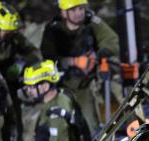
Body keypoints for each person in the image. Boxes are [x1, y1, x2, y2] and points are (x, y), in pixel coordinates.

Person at [40, 0, 119, 132]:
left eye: (81, 9)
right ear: (64, 13)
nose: (79, 13)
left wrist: (96, 56)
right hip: (63, 85)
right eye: (73, 10)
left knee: (93, 123)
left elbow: (112, 42)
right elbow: (47, 57)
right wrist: (73, 61)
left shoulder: (92, 22)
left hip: (87, 83)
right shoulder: (53, 29)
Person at [0, 1, 42, 141]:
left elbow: (34, 53)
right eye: (6, 30)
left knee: (15, 131)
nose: (10, 34)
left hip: (9, 91)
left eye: (12, 31)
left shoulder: (13, 38)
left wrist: (20, 64)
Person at [22, 60, 90, 141]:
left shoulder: (57, 115)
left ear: (45, 86)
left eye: (32, 86)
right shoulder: (61, 94)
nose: (29, 90)